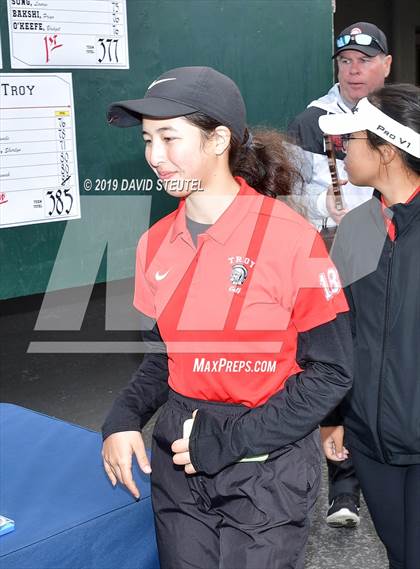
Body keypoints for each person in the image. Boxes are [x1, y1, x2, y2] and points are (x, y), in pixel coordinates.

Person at [102, 66, 353, 569]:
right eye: (149, 139)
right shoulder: (153, 244)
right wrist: (123, 417)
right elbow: (163, 358)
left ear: (218, 139)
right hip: (179, 461)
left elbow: (332, 372)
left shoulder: (289, 238)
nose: (154, 156)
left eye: (170, 138)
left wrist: (234, 440)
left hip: (265, 464)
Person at [288, 21, 392, 528]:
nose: (355, 71)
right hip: (338, 259)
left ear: (387, 66)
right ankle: (344, 488)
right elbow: (280, 193)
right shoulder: (311, 120)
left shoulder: (403, 117)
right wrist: (321, 205)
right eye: (346, 61)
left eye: (366, 61)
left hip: (396, 258)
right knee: (343, 364)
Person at [319, 83, 420, 569]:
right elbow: (339, 333)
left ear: (387, 150)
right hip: (370, 440)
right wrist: (336, 416)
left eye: (350, 141)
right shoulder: (357, 228)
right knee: (399, 554)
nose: (341, 150)